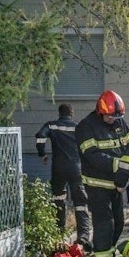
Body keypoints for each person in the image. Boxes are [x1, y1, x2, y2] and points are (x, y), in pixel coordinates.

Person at [76, 90, 129, 257]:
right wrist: (121, 165)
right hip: (97, 185)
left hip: (116, 184)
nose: (114, 119)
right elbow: (92, 156)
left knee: (119, 223)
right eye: (110, 116)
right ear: (100, 111)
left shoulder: (119, 122)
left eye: (117, 116)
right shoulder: (86, 127)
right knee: (105, 224)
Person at [35, 103, 91, 246]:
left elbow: (40, 136)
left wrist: (42, 154)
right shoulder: (78, 127)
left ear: (59, 113)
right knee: (80, 202)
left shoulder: (52, 126)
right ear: (71, 113)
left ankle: (59, 233)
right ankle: (83, 236)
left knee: (59, 198)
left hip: (58, 167)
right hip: (76, 168)